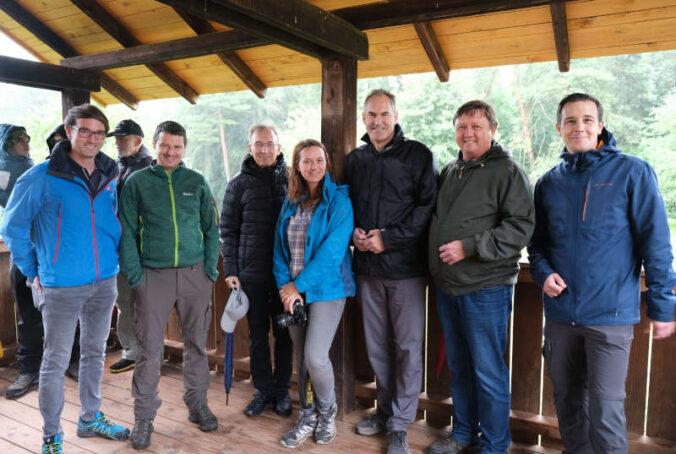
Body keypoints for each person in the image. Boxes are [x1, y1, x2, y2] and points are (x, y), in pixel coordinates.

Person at [528, 93, 676, 454]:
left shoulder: (633, 171)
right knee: (566, 401)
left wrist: (664, 307)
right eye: (570, 120)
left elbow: (655, 244)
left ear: (600, 126)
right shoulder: (548, 183)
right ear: (559, 127)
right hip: (561, 315)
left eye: (587, 119)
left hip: (610, 316)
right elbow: (536, 247)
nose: (579, 126)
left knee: (605, 410)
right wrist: (544, 273)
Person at [0, 105, 130, 454]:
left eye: (99, 133)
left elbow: (108, 220)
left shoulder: (109, 174)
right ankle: (51, 436)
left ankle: (89, 418)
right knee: (55, 360)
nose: (92, 138)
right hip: (61, 283)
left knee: (94, 352)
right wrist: (35, 270)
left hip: (105, 280)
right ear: (69, 131)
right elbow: (11, 228)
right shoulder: (41, 176)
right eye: (85, 131)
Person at [427, 100, 534, 454]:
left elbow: (521, 227)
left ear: (493, 130)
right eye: (461, 126)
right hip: (449, 287)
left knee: (488, 372)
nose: (468, 133)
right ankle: (463, 435)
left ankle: (494, 445)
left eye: (476, 126)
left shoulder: (507, 171)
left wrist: (470, 247)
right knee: (460, 367)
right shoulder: (451, 169)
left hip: (485, 288)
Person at [343, 89, 437, 454]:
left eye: (384, 114)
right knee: (378, 346)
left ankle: (400, 424)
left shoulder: (418, 155)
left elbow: (427, 208)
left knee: (408, 347)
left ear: (396, 116)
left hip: (406, 270)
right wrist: (352, 233)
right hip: (366, 269)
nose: (377, 121)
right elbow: (344, 206)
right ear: (363, 119)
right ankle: (384, 411)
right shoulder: (355, 159)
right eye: (371, 115)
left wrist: (388, 239)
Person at [119, 120, 220, 450]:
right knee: (149, 349)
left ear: (184, 148)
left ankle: (197, 404)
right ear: (155, 144)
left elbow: (212, 228)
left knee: (196, 345)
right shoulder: (137, 183)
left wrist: (209, 270)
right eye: (165, 146)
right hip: (153, 276)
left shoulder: (197, 181)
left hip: (195, 276)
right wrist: (136, 276)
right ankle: (144, 417)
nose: (171, 152)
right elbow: (127, 234)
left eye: (177, 147)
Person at [273, 139, 355, 448]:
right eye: (306, 161)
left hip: (327, 289)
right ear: (297, 166)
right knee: (302, 358)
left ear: (326, 163)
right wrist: (286, 288)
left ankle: (327, 412)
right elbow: (279, 248)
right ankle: (306, 415)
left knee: (315, 356)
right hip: (293, 292)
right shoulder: (291, 201)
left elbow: (333, 253)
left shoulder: (338, 202)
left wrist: (298, 286)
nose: (313, 166)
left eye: (319, 160)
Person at [219, 123, 293, 417]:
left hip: (286, 277)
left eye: (269, 144)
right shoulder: (238, 184)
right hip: (252, 275)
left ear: (279, 146)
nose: (264, 149)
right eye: (258, 144)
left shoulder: (292, 180)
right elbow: (228, 230)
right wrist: (231, 270)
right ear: (250, 148)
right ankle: (263, 390)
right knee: (258, 334)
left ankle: (282, 391)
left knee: (285, 334)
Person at [107, 119, 153, 374]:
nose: (118, 142)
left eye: (123, 138)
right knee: (125, 301)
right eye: (116, 138)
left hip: (144, 251)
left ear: (139, 140)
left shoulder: (151, 167)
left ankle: (151, 355)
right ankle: (131, 352)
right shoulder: (114, 168)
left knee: (148, 304)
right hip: (118, 249)